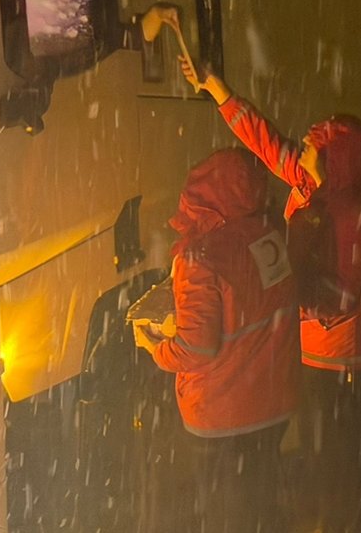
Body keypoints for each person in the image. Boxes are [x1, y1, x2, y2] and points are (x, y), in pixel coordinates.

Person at [178, 56, 361, 533]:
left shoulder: (350, 217)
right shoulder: (309, 183)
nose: (300, 151)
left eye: (313, 148)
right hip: (312, 358)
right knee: (322, 469)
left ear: (338, 163)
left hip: (343, 369)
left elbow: (344, 299)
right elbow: (265, 140)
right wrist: (219, 92)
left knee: (344, 473)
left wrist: (287, 293)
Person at [133, 147, 300, 533]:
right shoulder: (268, 236)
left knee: (227, 517)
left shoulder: (199, 258)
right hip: (273, 405)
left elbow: (196, 347)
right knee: (262, 509)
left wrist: (155, 346)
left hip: (223, 413)